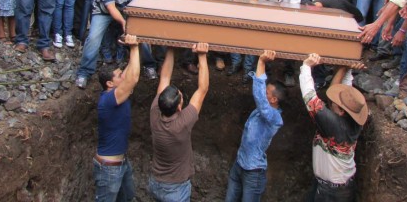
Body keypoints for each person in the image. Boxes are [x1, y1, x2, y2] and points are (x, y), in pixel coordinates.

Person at [299, 53, 368, 201]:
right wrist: (346, 69)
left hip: (332, 193)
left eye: (336, 102)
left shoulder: (333, 125)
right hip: (333, 186)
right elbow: (342, 92)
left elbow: (310, 99)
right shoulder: (353, 120)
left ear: (342, 111)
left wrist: (306, 67)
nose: (331, 101)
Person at [76, 0, 150, 88]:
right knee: (93, 38)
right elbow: (110, 7)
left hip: (127, 10)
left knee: (142, 35)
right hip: (104, 12)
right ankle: (84, 72)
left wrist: (130, 25)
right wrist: (123, 22)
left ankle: (149, 65)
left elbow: (134, 7)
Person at [149, 43, 210, 202]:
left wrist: (170, 49)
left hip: (156, 183)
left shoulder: (155, 112)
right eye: (181, 97)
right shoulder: (182, 123)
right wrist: (202, 56)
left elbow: (164, 77)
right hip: (175, 190)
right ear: (179, 108)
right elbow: (202, 89)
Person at [224, 50, 286, 202]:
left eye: (266, 92)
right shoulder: (261, 111)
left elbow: (259, 99)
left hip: (254, 173)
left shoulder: (274, 118)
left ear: (273, 99)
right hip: (239, 164)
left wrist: (261, 62)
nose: (263, 94)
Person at [93, 34, 140, 202]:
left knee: (128, 198)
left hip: (121, 163)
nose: (123, 77)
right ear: (110, 84)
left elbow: (129, 72)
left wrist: (133, 46)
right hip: (108, 169)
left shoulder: (115, 93)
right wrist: (134, 48)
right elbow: (133, 78)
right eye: (119, 76)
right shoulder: (109, 99)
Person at [214, 0, 263, 81]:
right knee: (234, 30)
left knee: (250, 32)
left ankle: (248, 69)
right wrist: (214, 5)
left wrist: (250, 15)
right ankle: (236, 62)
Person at [259, 0, 302, 86]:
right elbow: (262, 5)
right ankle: (265, 70)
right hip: (269, 18)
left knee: (292, 41)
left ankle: (289, 71)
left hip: (290, 20)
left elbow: (294, 11)